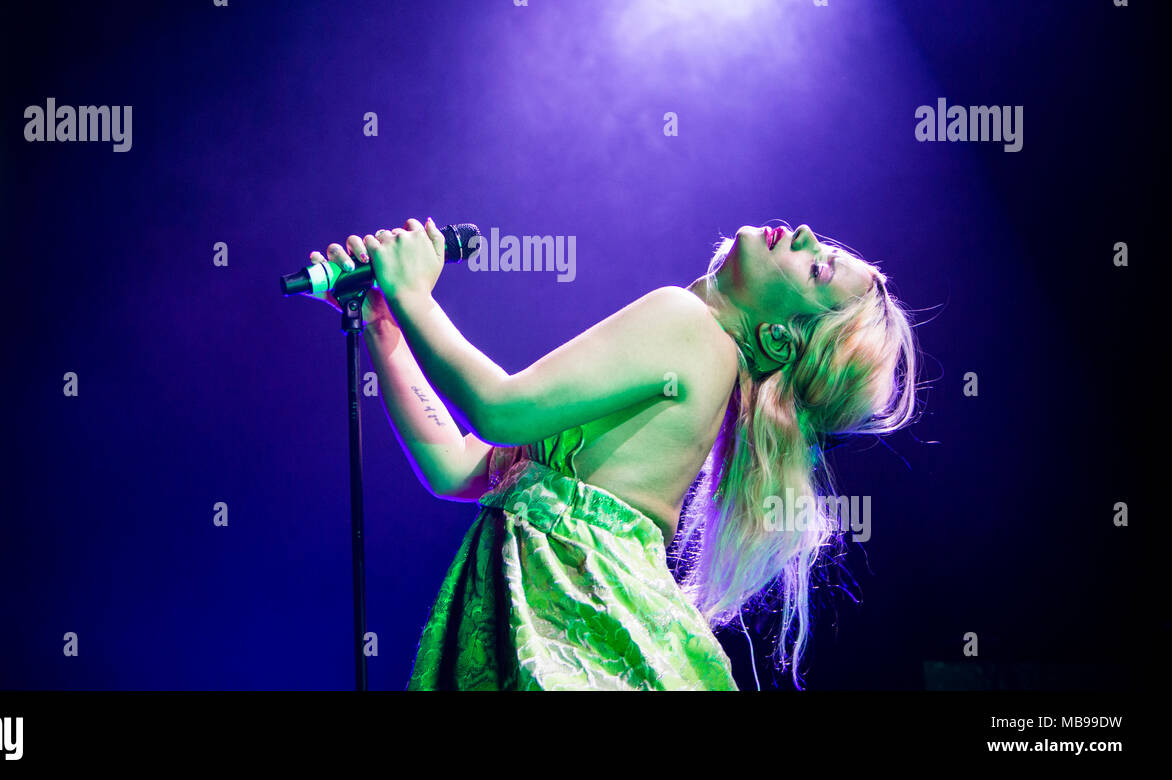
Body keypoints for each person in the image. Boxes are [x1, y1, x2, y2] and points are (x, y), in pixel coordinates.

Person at [307, 217, 918, 690]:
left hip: (581, 622)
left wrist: (414, 294)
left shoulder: (688, 324)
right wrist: (385, 324)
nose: (808, 236)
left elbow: (499, 408)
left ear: (778, 336)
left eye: (817, 270)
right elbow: (459, 467)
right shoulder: (699, 355)